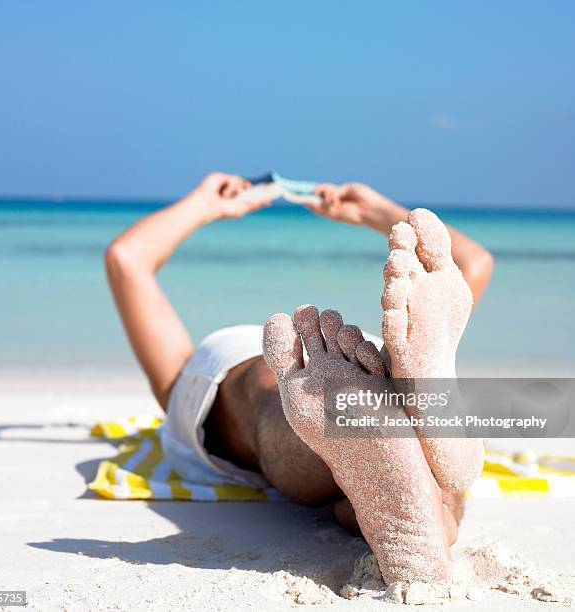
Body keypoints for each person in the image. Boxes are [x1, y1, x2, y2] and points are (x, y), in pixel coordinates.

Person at [104, 173, 494, 582]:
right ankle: (434, 506)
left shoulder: (184, 381)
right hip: (371, 356)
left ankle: (389, 481)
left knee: (264, 387)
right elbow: (475, 262)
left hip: (312, 397)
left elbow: (126, 258)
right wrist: (376, 212)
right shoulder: (404, 329)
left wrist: (205, 205)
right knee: (422, 463)